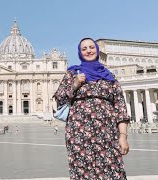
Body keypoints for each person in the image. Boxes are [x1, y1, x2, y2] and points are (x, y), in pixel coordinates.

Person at [53, 38, 130, 179]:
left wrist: (123, 137)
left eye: (91, 47)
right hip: (79, 133)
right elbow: (59, 99)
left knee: (112, 171)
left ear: (97, 50)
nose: (88, 50)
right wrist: (75, 84)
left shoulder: (110, 77)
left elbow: (121, 109)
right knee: (83, 172)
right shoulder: (72, 74)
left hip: (107, 133)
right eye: (84, 49)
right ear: (80, 53)